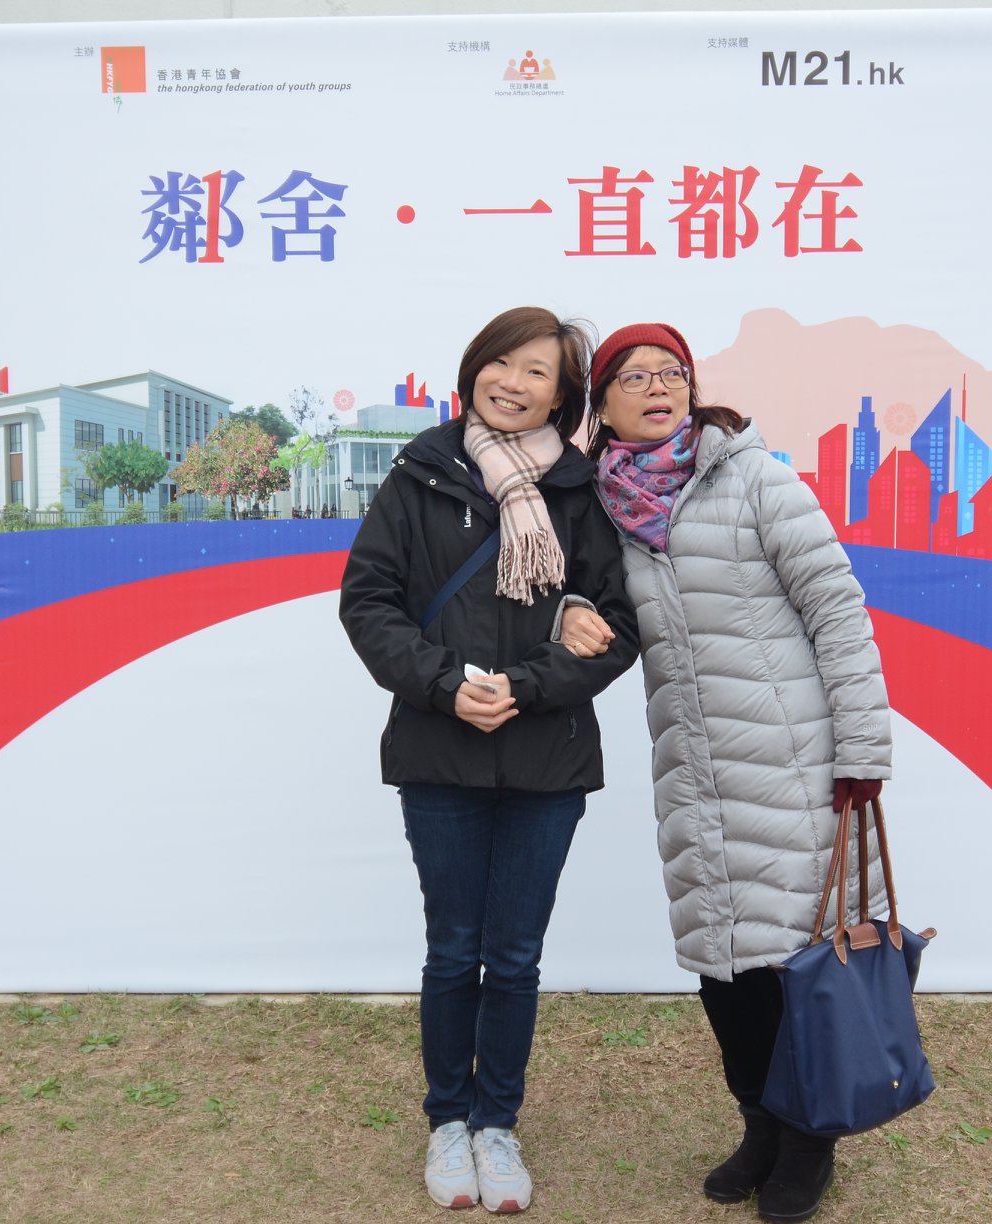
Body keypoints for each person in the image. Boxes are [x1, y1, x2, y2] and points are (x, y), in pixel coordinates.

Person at [560, 323, 891, 1224]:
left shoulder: (754, 478)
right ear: (602, 405)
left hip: (793, 760)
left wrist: (862, 751)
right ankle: (759, 1125)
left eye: (672, 372)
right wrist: (568, 615)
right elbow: (581, 604)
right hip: (692, 768)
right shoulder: (601, 507)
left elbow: (838, 610)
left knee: (796, 961)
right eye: (634, 377)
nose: (658, 388)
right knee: (723, 965)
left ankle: (809, 1141)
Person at [339, 306, 639, 1214]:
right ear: (473, 370)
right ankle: (447, 1120)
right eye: (500, 363)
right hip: (441, 754)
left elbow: (621, 624)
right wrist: (443, 685)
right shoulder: (419, 474)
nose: (513, 382)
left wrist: (532, 683)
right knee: (451, 951)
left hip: (547, 759)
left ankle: (496, 1123)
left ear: (563, 395)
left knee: (512, 957)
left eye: (537, 372)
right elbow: (369, 601)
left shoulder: (583, 492)